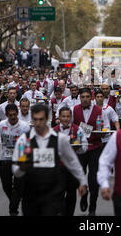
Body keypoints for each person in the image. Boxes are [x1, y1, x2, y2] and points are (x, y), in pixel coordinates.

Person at [12, 104, 87, 216]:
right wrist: (21, 167)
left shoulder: (59, 139)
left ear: (47, 119)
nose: (38, 123)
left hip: (52, 193)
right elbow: (16, 169)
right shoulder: (24, 140)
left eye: (41, 119)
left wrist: (82, 181)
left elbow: (72, 162)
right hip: (30, 193)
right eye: (35, 119)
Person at [72, 88, 104, 216]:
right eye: (82, 97)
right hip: (80, 148)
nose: (85, 99)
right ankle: (84, 195)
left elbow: (104, 127)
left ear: (91, 97)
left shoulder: (99, 110)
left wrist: (100, 132)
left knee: (94, 179)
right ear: (80, 98)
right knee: (80, 176)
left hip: (95, 147)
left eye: (87, 96)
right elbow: (73, 127)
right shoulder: (75, 109)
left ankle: (92, 208)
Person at [52, 107, 88, 216]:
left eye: (68, 116)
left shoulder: (78, 130)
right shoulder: (54, 131)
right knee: (59, 193)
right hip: (59, 168)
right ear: (59, 117)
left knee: (72, 194)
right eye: (63, 116)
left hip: (72, 168)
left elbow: (85, 147)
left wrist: (79, 147)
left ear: (71, 117)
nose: (66, 118)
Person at [0, 103, 30, 216]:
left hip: (20, 158)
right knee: (6, 185)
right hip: (5, 157)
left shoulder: (24, 126)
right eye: (10, 115)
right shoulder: (1, 125)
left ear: (18, 114)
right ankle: (15, 200)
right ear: (6, 115)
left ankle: (13, 209)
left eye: (14, 115)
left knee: (19, 185)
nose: (12, 117)